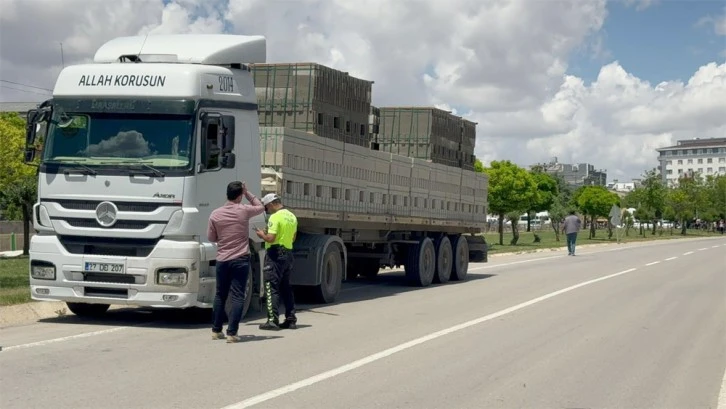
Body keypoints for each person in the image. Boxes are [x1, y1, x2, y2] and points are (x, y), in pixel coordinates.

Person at [207, 181, 264, 343]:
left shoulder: (215, 214)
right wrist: (248, 193)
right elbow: (260, 207)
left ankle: (216, 330)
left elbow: (211, 238)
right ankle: (232, 333)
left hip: (222, 259)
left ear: (227, 194)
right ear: (240, 196)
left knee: (220, 295)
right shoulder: (244, 210)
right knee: (238, 296)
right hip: (240, 259)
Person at [255, 193, 298, 331]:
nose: (267, 210)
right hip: (288, 253)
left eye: (267, 207)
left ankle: (272, 320)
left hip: (275, 254)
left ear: (272, 204)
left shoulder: (275, 217)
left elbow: (270, 238)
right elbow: (293, 237)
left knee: (271, 286)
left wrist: (262, 234)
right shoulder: (292, 216)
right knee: (286, 287)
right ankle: (291, 319)